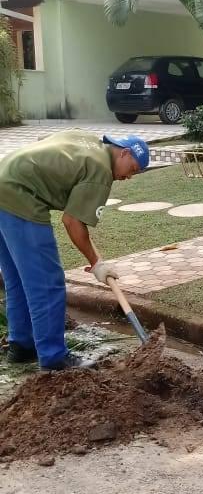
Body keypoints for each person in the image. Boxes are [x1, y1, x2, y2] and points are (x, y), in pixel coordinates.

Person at [0, 131, 149, 371]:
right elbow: (72, 222)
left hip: (3, 179)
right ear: (124, 152)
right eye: (132, 169)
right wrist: (97, 263)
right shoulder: (101, 170)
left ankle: (22, 345)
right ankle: (54, 356)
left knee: (17, 278)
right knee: (47, 282)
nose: (128, 177)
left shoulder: (88, 141)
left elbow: (45, 143)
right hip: (20, 196)